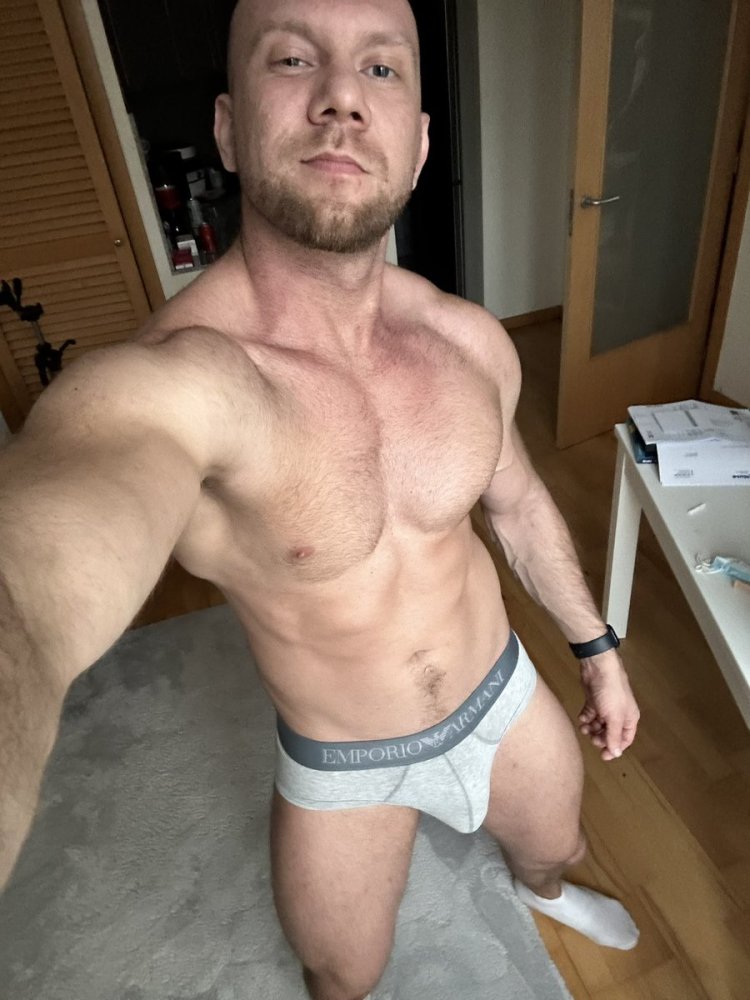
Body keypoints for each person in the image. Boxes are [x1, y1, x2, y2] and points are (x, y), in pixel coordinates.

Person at [0, 0, 641, 996]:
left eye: (381, 69)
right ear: (228, 128)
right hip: (345, 761)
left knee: (558, 846)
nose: (342, 96)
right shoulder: (176, 384)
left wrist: (597, 651)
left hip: (503, 694)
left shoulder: (469, 340)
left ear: (418, 146)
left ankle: (542, 890)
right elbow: (29, 592)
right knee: (343, 975)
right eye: (293, 59)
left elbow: (516, 505)